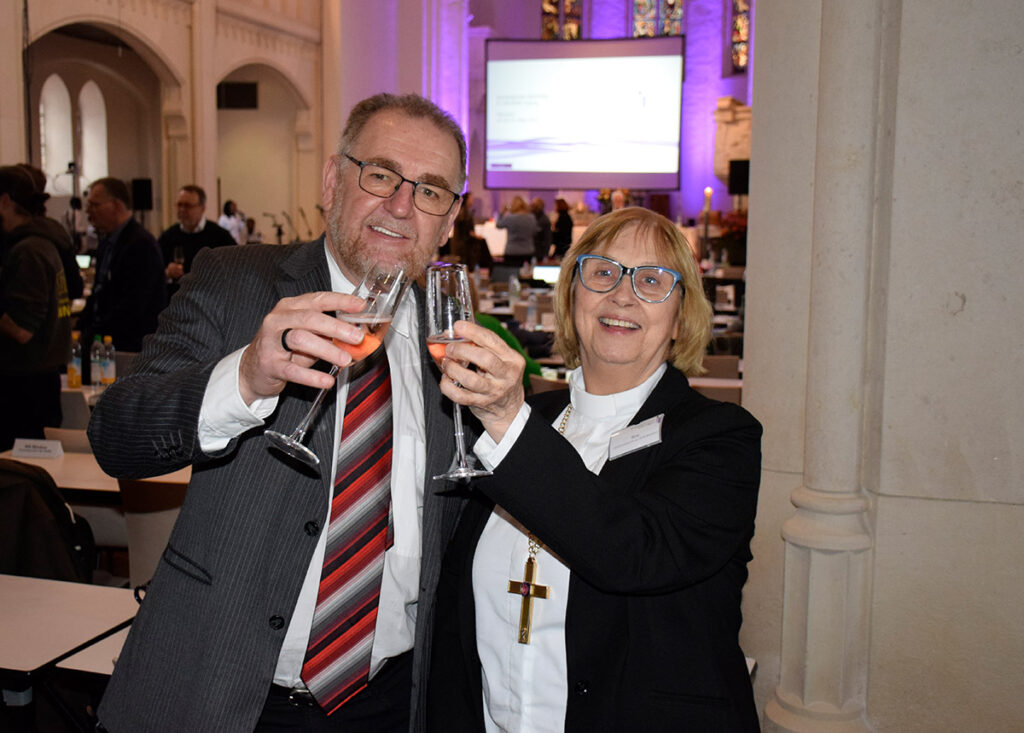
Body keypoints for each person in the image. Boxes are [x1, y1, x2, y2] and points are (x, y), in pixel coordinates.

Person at [89, 92, 469, 732]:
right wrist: (242, 377)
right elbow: (116, 436)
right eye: (379, 175)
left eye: (430, 191)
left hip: (386, 702)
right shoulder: (234, 281)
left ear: (450, 219)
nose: (402, 206)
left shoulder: (450, 336)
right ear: (331, 179)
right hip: (222, 691)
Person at [427, 206, 763, 731]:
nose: (622, 295)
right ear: (571, 295)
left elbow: (630, 551)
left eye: (653, 280)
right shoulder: (521, 420)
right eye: (602, 272)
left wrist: (506, 419)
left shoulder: (719, 438)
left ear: (682, 317)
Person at [0, 166, 72, 450]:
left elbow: (22, 330)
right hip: (37, 380)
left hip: (25, 386)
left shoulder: (29, 250)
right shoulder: (43, 242)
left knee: (22, 478)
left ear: (5, 201)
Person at [79, 177, 165, 353]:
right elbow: (99, 293)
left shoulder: (140, 245)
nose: (88, 212)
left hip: (131, 346)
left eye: (94, 205)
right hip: (105, 341)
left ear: (116, 205)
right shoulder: (107, 241)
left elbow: (132, 307)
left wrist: (92, 334)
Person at [159, 185, 237, 298]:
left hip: (210, 298)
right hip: (176, 300)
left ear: (202, 208)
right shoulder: (169, 236)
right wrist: (167, 273)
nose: (182, 209)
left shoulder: (219, 235)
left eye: (187, 205)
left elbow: (235, 267)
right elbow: (153, 269)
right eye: (179, 204)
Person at [495, 196, 537, 271]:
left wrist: (502, 212)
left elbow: (498, 225)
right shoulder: (531, 218)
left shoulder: (510, 218)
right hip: (527, 251)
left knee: (510, 275)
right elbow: (535, 232)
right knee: (525, 276)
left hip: (512, 251)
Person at [530, 197, 553, 261]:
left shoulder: (543, 220)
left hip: (538, 252)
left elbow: (547, 239)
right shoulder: (542, 219)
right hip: (536, 251)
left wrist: (545, 253)